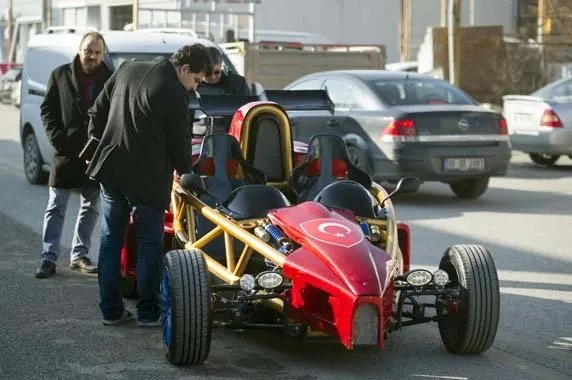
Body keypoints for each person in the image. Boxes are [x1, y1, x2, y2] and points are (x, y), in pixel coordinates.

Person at [85, 44, 212, 326]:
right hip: (147, 179)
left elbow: (96, 111)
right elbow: (179, 143)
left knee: (110, 241)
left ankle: (111, 310)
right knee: (149, 244)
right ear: (184, 69)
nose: (194, 88)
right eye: (196, 80)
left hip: (111, 169)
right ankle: (147, 312)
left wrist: (99, 141)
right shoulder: (174, 92)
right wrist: (187, 173)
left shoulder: (127, 67)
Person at [35, 32, 113, 279]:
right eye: (88, 50)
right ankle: (48, 258)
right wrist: (57, 139)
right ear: (79, 50)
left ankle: (80, 255)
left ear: (103, 54)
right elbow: (47, 109)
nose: (92, 56)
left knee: (90, 206)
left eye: (97, 52)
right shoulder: (60, 75)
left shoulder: (111, 79)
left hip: (94, 154)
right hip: (65, 152)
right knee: (56, 205)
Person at [197, 46, 251, 133]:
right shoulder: (192, 84)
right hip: (198, 137)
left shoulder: (236, 84)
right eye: (208, 73)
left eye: (216, 72)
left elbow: (247, 112)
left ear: (221, 66)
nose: (212, 77)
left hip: (231, 134)